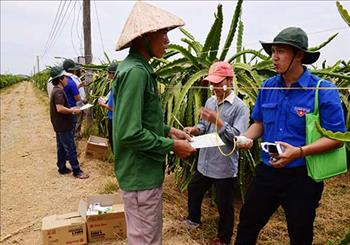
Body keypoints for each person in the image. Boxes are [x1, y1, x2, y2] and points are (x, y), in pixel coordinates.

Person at [234, 27, 346, 245]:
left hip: (303, 177)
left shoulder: (322, 90)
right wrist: (246, 137)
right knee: (247, 224)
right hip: (267, 172)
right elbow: (259, 123)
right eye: (273, 51)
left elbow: (337, 138)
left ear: (299, 55)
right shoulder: (267, 86)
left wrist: (299, 152)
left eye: (281, 51)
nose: (274, 57)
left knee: (300, 233)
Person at [112, 2, 196, 244]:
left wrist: (169, 131)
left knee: (148, 237)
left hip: (144, 172)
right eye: (163, 33)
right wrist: (171, 146)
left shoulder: (139, 69)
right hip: (140, 175)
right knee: (145, 240)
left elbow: (140, 121)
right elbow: (130, 132)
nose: (168, 40)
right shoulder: (136, 72)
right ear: (146, 36)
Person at [182, 61, 249, 245]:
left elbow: (238, 137)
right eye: (212, 83)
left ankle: (224, 238)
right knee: (194, 188)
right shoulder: (210, 101)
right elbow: (204, 125)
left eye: (219, 83)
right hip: (205, 160)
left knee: (224, 204)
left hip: (224, 165)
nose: (215, 88)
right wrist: (194, 129)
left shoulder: (240, 107)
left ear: (230, 80)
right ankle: (193, 219)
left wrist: (219, 122)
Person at [49, 66, 89, 179]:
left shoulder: (56, 90)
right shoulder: (59, 93)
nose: (67, 79)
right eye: (65, 77)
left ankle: (62, 167)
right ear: (61, 79)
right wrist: (73, 110)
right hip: (64, 124)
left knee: (61, 146)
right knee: (70, 147)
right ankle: (77, 171)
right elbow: (60, 108)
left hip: (59, 124)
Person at [63, 59, 86, 140]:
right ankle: (74, 141)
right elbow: (77, 97)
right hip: (75, 106)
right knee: (75, 124)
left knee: (71, 126)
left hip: (67, 107)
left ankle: (72, 138)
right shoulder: (72, 81)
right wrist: (82, 106)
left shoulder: (63, 80)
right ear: (73, 70)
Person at [98, 63, 118, 152]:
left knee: (113, 140)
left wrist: (103, 105)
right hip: (118, 119)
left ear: (113, 74)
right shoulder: (119, 85)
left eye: (108, 73)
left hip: (113, 119)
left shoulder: (115, 87)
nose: (107, 75)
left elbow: (114, 109)